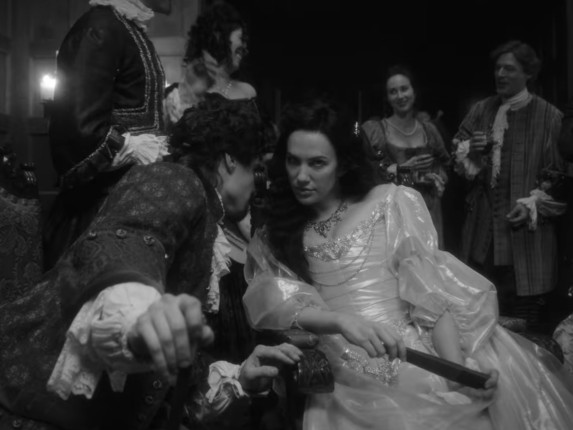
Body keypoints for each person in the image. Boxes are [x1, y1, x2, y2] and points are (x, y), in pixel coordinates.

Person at [242, 98, 573, 430]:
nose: (301, 176)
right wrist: (339, 321)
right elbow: (274, 301)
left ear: (342, 164)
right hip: (344, 381)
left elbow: (431, 299)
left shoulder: (389, 202)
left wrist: (456, 371)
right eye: (293, 161)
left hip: (413, 358)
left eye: (317, 163)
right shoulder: (277, 234)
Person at [0, 95, 299, 430]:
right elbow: (128, 240)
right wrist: (138, 315)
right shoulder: (174, 178)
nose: (259, 184)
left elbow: (169, 379)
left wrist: (240, 377)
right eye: (256, 168)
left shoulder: (208, 223)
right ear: (229, 160)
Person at [43, 0, 172, 270]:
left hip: (134, 201)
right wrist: (130, 147)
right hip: (98, 211)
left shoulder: (128, 28)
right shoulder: (100, 27)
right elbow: (76, 129)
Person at [452, 40, 567, 329]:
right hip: (483, 240)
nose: (501, 74)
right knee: (482, 320)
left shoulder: (550, 117)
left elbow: (560, 179)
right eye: (498, 68)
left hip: (528, 246)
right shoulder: (481, 110)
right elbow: (458, 162)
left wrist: (533, 204)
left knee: (526, 326)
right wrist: (472, 150)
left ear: (528, 73)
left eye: (509, 69)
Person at [361, 65, 451, 246]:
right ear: (388, 98)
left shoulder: (429, 130)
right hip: (395, 216)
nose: (400, 96)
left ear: (414, 92)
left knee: (429, 260)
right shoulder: (377, 132)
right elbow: (369, 177)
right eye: (393, 92)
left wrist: (436, 177)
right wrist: (404, 169)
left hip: (429, 212)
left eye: (404, 89)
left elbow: (444, 164)